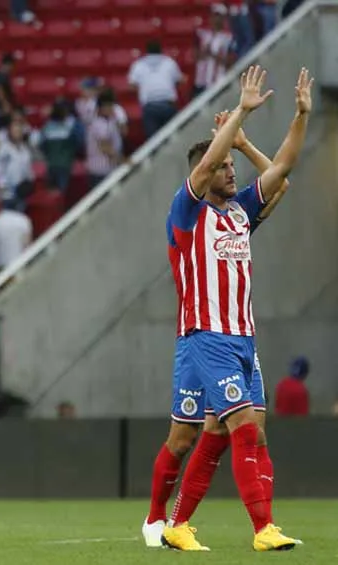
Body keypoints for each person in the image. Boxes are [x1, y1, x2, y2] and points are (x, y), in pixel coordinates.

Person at [155, 66, 311, 552]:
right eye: (224, 165)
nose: (230, 171)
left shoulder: (239, 212)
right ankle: (263, 528)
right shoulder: (187, 213)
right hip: (207, 336)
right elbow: (205, 167)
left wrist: (299, 116)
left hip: (243, 338)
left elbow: (281, 173)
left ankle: (177, 524)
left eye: (231, 165)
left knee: (244, 433)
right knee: (238, 426)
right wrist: (241, 111)